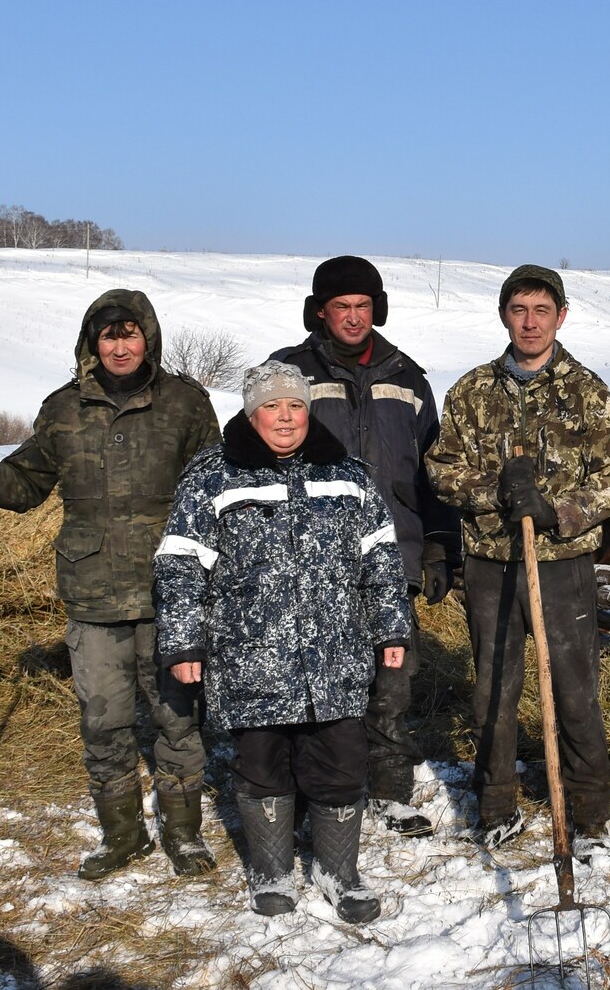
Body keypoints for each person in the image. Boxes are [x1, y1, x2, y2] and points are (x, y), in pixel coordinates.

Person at [0, 290, 221, 880]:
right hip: (93, 592)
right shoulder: (63, 410)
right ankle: (123, 835)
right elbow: (26, 485)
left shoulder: (185, 404)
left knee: (178, 718)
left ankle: (184, 833)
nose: (120, 347)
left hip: (171, 591)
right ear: (91, 343)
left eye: (130, 334)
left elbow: (214, 490)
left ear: (149, 338)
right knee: (103, 722)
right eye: (108, 336)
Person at [154, 361, 411, 922]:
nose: (286, 417)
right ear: (252, 414)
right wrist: (183, 643)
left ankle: (338, 871)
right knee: (261, 763)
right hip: (251, 659)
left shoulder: (347, 473)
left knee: (341, 761)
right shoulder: (213, 476)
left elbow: (382, 559)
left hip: (336, 658)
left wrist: (391, 627)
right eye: (272, 406)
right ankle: (272, 870)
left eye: (295, 405)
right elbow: (180, 566)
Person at [425, 264, 610, 857]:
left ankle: (589, 813)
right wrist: (495, 492)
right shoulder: (471, 392)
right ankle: (496, 806)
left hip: (562, 564)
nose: (531, 323)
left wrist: (556, 511)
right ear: (504, 316)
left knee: (575, 688)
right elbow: (440, 469)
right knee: (495, 688)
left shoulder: (586, 391)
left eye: (542, 311)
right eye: (519, 310)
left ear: (561, 317)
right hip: (491, 563)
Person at [270, 255, 462, 838]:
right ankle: (313, 791)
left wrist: (438, 545)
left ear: (377, 309)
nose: (354, 317)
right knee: (312, 677)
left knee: (391, 679)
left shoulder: (407, 378)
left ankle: (389, 791)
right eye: (341, 306)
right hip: (310, 556)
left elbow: (434, 471)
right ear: (319, 312)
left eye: (363, 305)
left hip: (393, 553)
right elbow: (256, 459)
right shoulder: (288, 373)